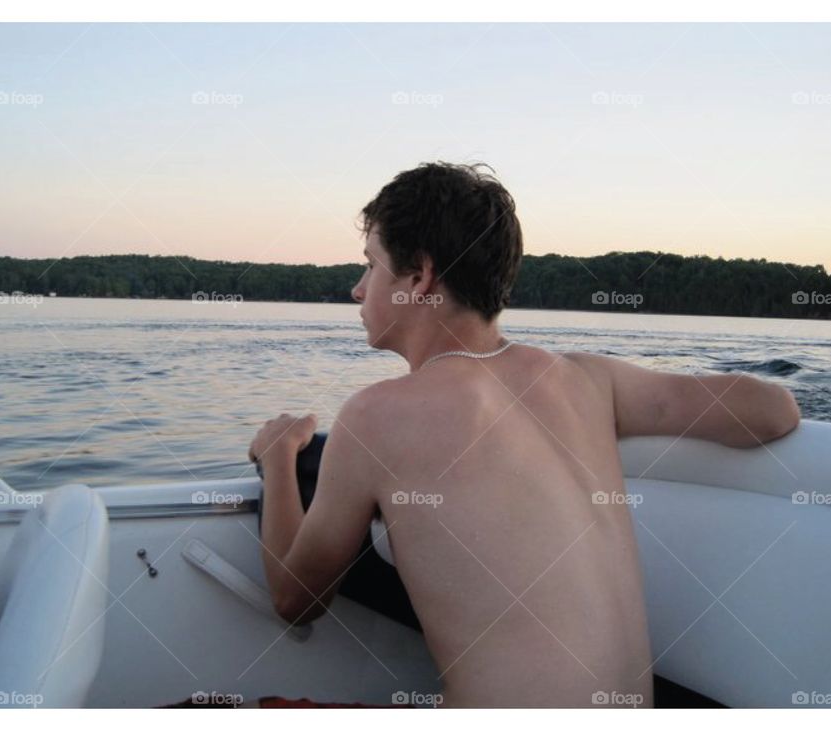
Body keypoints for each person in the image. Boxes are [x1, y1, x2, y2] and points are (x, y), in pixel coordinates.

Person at [248, 162, 801, 708]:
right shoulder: (588, 380)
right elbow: (773, 410)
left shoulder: (376, 416)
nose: (357, 288)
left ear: (419, 276)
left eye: (370, 265)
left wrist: (277, 458)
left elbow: (297, 599)